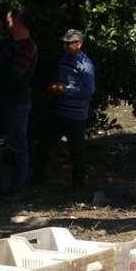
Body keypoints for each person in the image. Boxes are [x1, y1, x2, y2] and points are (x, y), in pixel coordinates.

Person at [0, 7, 39, 199]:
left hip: (16, 103)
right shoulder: (6, 44)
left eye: (9, 20)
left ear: (19, 22)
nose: (7, 23)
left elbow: (14, 73)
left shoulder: (28, 47)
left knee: (18, 146)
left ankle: (16, 189)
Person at [31, 29, 95, 189]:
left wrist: (65, 90)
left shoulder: (85, 65)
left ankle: (78, 185)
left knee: (76, 151)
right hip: (60, 111)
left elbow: (88, 91)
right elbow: (61, 79)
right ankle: (38, 177)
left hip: (76, 115)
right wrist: (54, 89)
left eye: (69, 44)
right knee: (44, 144)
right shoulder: (64, 59)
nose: (66, 47)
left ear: (79, 44)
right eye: (64, 43)